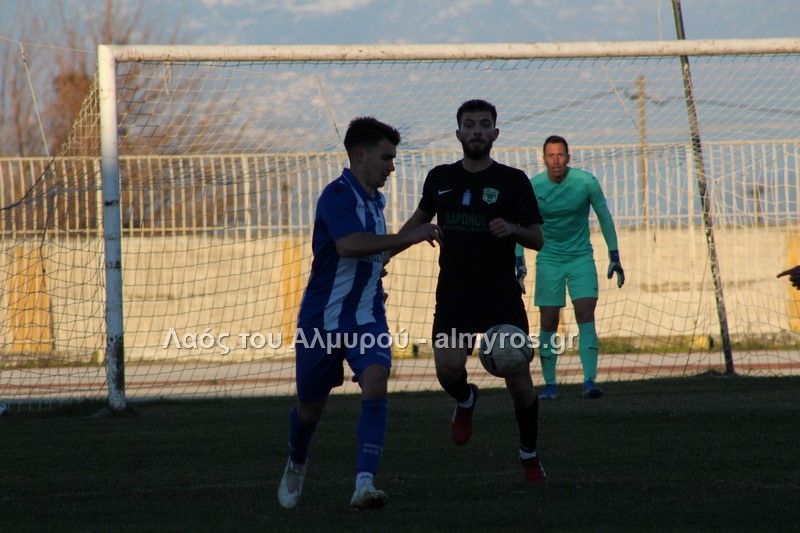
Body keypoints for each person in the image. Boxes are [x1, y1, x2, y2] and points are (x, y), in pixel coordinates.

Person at [277, 117, 442, 510]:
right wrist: (409, 235)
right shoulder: (337, 195)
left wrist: (407, 240)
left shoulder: (375, 202)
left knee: (376, 379)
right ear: (361, 154)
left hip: (367, 316)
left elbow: (375, 254)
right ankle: (297, 460)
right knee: (310, 409)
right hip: (323, 321)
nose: (392, 167)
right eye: (387, 158)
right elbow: (349, 245)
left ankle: (364, 483)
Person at [397, 99, 547, 484]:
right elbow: (418, 220)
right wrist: (385, 253)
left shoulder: (513, 181)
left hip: (500, 295)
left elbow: (537, 238)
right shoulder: (440, 178)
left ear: (495, 133)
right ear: (458, 133)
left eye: (483, 124)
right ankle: (465, 399)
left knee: (519, 382)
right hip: (455, 294)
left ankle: (529, 455)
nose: (476, 130)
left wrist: (512, 229)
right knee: (447, 371)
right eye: (469, 124)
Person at [515, 135, 624, 401]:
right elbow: (520, 225)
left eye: (560, 155)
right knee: (549, 321)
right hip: (548, 259)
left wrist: (614, 255)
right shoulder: (533, 187)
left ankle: (589, 382)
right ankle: (550, 385)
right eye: (551, 155)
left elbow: (604, 216)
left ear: (568, 157)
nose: (556, 161)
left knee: (585, 313)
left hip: (580, 258)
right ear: (544, 159)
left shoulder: (586, 183)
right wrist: (519, 262)